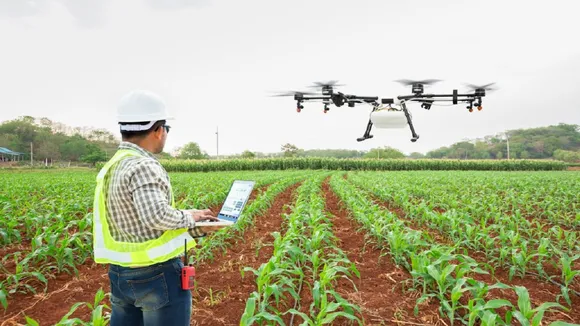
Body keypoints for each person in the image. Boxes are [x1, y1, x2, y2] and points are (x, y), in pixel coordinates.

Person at [92, 90, 219, 326]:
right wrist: (190, 218)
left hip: (120, 273)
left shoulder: (113, 165)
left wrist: (195, 223)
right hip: (155, 276)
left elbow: (138, 225)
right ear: (158, 130)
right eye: (166, 129)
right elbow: (155, 216)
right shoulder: (143, 165)